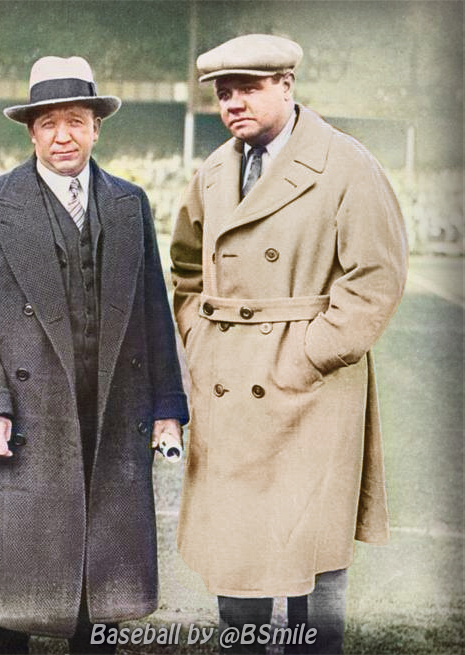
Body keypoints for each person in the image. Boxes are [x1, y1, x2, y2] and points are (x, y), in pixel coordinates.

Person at [170, 34, 408, 654]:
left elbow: (375, 278)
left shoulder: (347, 164)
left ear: (286, 85)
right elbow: (186, 270)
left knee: (314, 557)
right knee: (236, 555)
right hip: (230, 389)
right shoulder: (214, 171)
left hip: (312, 394)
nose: (233, 104)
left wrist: (308, 355)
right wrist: (200, 337)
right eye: (224, 93)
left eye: (248, 89)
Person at [0, 56, 189, 654]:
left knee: (100, 587)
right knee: (11, 591)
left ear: (96, 128)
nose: (63, 136)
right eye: (50, 123)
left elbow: (152, 312)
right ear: (31, 131)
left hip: (112, 412)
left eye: (76, 121)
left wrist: (167, 407)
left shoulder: (130, 203)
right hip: (24, 418)